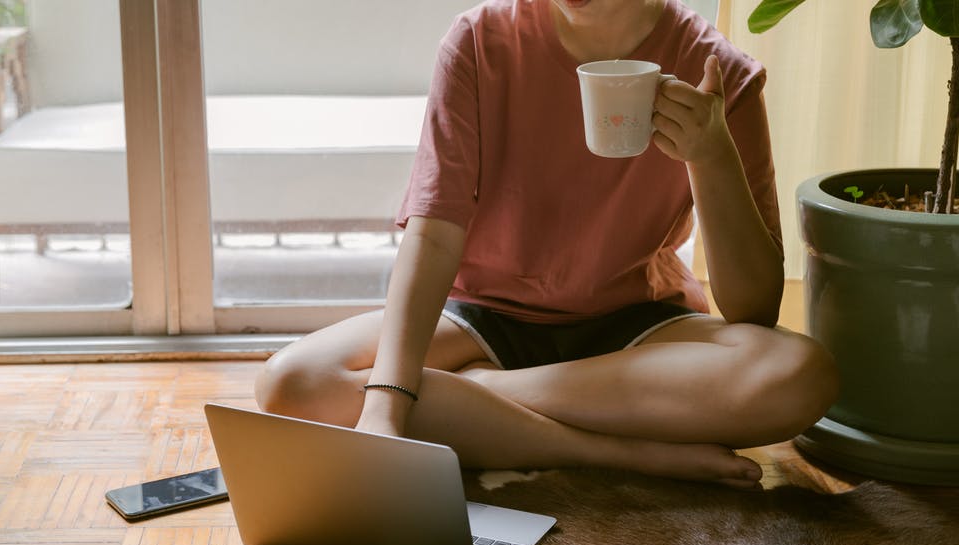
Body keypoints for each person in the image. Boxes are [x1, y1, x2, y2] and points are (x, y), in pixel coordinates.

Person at [254, 0, 839, 490]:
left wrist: (711, 155)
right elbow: (433, 234)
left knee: (800, 375)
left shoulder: (721, 75)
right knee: (291, 383)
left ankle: (480, 400)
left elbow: (753, 309)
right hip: (478, 316)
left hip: (639, 328)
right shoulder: (480, 41)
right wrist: (382, 409)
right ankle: (617, 452)